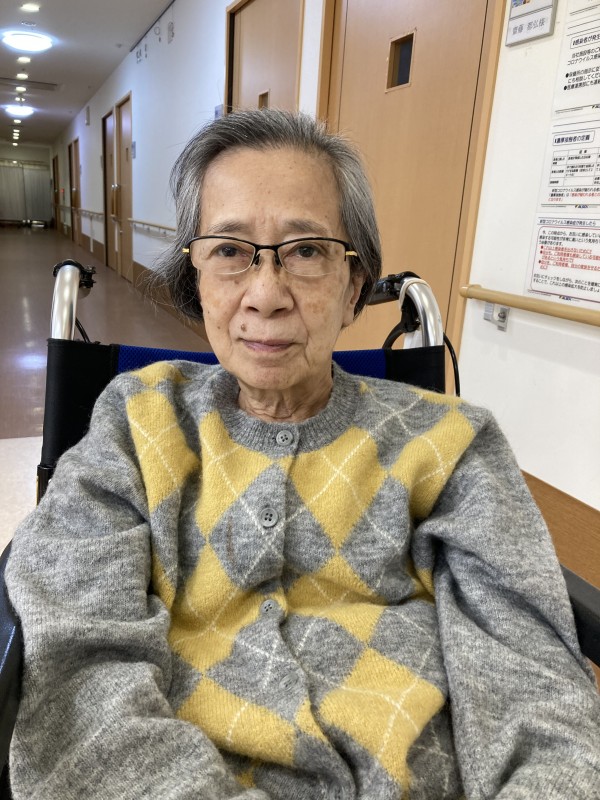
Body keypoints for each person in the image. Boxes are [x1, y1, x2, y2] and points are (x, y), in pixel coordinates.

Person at [6, 109, 600, 800]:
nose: (265, 295)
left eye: (308, 250)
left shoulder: (450, 442)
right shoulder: (137, 420)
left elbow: (530, 681)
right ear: (195, 278)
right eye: (229, 250)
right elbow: (81, 663)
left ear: (354, 286)